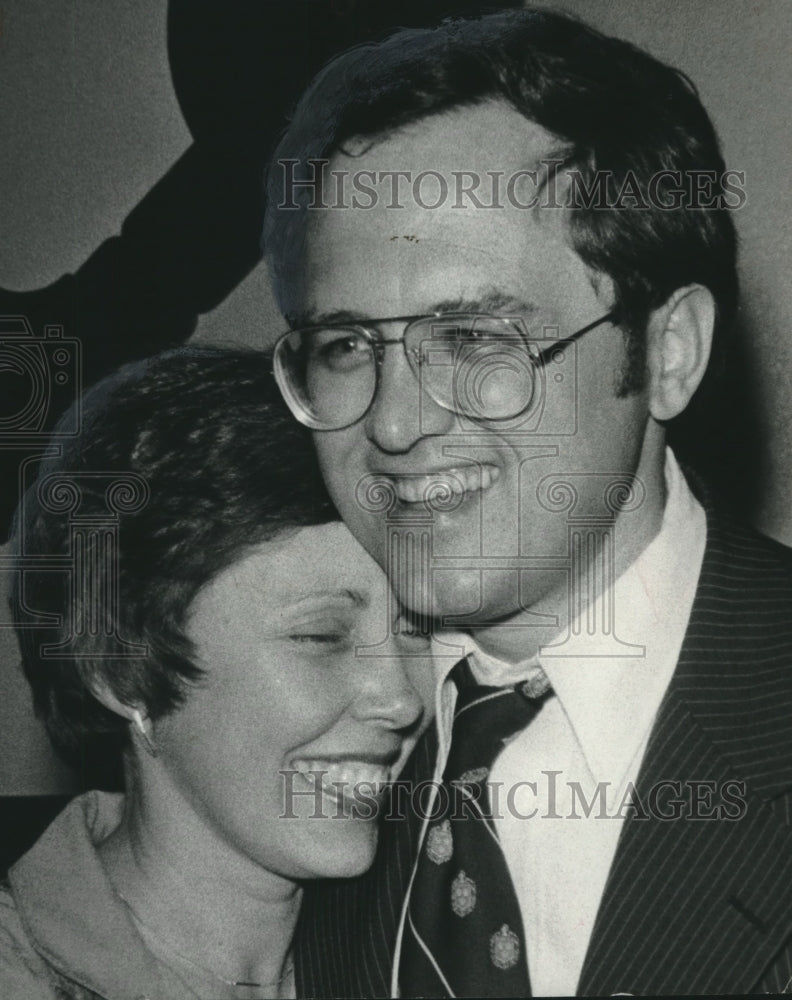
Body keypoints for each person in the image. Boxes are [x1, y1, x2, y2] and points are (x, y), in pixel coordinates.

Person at [263, 8, 792, 997]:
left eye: (476, 338)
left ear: (668, 353)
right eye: (347, 348)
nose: (394, 423)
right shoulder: (278, 750)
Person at [1, 346, 432, 1000]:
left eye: (416, 629)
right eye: (321, 634)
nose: (400, 698)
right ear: (122, 671)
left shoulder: (433, 946)